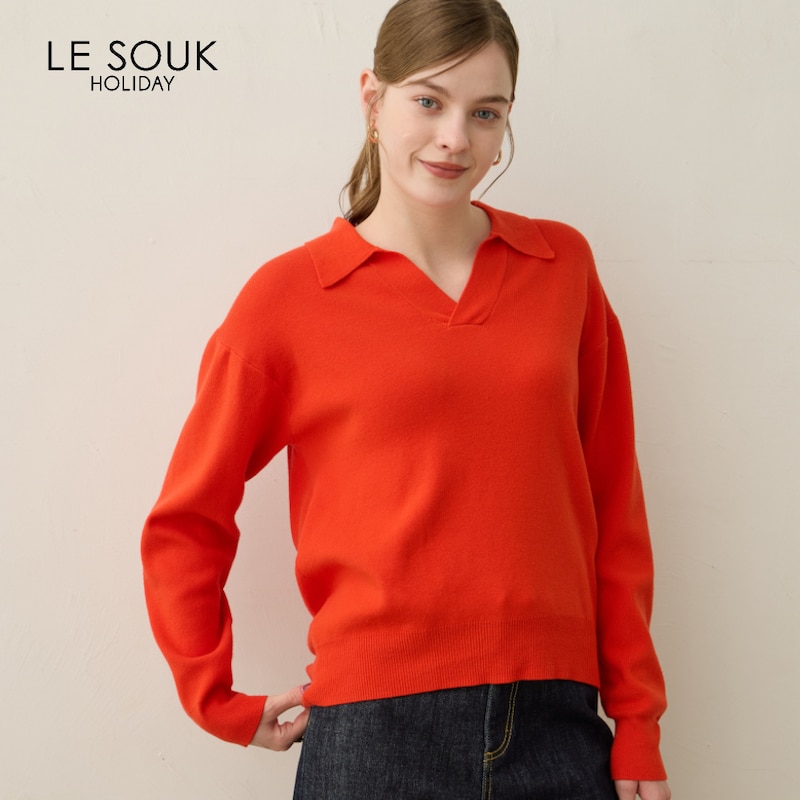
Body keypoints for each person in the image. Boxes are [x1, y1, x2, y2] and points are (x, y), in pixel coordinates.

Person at [141, 1, 671, 798]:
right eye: (429, 100)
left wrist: (637, 723)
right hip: (372, 737)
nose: (456, 137)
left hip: (559, 726)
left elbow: (615, 504)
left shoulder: (561, 267)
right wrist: (214, 699)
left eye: (486, 112)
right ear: (372, 100)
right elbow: (186, 520)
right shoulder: (290, 299)